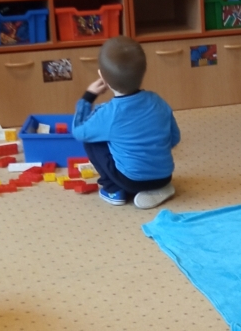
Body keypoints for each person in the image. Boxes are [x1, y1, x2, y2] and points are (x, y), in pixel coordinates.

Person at [72, 37, 180, 209]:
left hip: (131, 181)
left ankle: (113, 190)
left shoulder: (109, 113)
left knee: (91, 140)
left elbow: (78, 131)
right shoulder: (157, 101)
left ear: (102, 76)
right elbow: (174, 138)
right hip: (165, 176)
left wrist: (88, 97)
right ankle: (159, 188)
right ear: (143, 72)